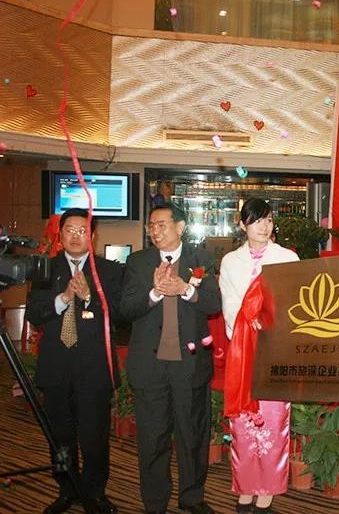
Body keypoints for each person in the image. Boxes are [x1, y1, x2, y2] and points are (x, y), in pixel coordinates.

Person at [120, 203, 221, 514]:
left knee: (192, 436)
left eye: (162, 224)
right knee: (153, 439)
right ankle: (154, 502)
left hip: (189, 366)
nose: (155, 231)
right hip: (150, 366)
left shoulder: (200, 259)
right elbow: (126, 309)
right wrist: (154, 293)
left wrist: (185, 290)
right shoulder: (138, 262)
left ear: (180, 227)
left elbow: (213, 304)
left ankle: (192, 498)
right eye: (151, 226)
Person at [26, 209, 122, 514]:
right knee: (60, 437)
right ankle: (66, 490)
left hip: (94, 369)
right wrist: (64, 298)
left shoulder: (109, 270)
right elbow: (34, 313)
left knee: (94, 438)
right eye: (70, 230)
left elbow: (121, 313)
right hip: (56, 368)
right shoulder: (45, 268)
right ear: (61, 234)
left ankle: (95, 493)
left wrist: (91, 296)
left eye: (82, 231)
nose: (76, 236)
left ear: (92, 236)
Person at [218, 199, 299, 513]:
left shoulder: (288, 258)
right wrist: (247, 321)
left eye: (268, 220)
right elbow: (229, 303)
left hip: (275, 349)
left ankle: (268, 490)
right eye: (256, 221)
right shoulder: (230, 262)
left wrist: (269, 321)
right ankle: (245, 487)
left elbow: (295, 301)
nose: (264, 227)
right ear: (243, 225)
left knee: (274, 421)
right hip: (243, 349)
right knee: (242, 424)